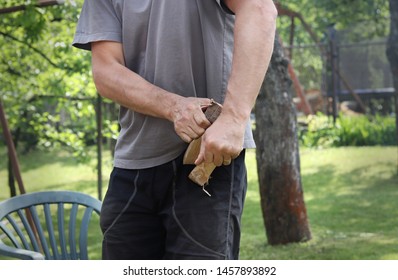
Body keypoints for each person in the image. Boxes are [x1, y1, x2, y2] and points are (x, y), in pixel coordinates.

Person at [73, 0, 277, 260]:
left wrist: (235, 117)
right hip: (132, 168)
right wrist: (174, 107)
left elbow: (259, 9)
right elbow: (105, 70)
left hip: (206, 161)